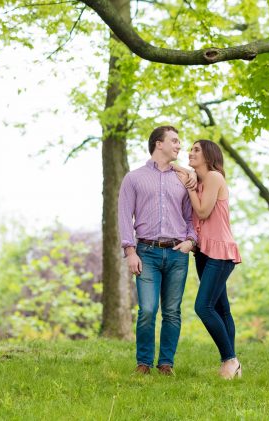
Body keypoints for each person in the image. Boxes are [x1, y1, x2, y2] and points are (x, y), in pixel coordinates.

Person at [117, 125, 198, 376]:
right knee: (148, 310)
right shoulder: (134, 178)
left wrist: (191, 241)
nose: (179, 146)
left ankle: (166, 364)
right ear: (158, 144)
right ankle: (143, 364)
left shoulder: (183, 178)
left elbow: (191, 217)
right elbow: (123, 216)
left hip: (177, 254)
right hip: (147, 253)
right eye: (174, 141)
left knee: (172, 311)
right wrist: (130, 252)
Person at [176, 139, 243, 380]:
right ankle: (233, 365)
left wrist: (190, 188)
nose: (190, 153)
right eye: (190, 149)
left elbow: (203, 211)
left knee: (203, 307)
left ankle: (229, 359)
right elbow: (179, 168)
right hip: (203, 252)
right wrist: (179, 170)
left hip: (220, 252)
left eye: (196, 150)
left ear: (208, 155)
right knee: (221, 308)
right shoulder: (199, 179)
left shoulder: (214, 177)